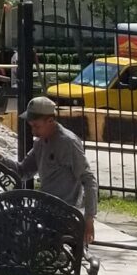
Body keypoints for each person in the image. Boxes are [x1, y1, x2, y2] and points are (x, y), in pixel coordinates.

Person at [19, 94, 98, 244]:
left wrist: (89, 219)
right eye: (31, 126)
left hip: (65, 214)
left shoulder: (68, 142)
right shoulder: (40, 143)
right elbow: (23, 171)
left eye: (37, 126)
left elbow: (89, 180)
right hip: (45, 210)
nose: (33, 131)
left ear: (50, 121)